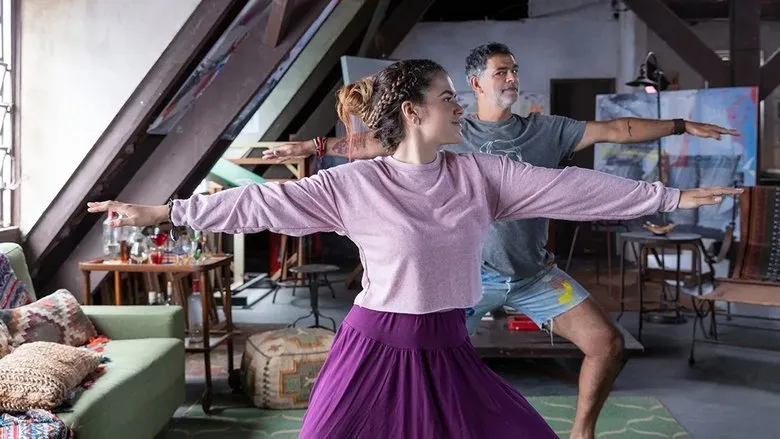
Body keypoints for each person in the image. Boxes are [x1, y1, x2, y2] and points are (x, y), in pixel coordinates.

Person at [88, 59, 740, 438]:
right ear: (411, 111)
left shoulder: (479, 175)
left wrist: (665, 197)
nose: (460, 108)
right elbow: (260, 205)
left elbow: (567, 189)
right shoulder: (355, 183)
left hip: (448, 348)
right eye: (447, 98)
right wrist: (169, 211)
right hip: (374, 347)